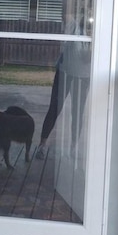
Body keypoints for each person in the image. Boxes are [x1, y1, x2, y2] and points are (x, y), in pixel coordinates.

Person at [36, 15, 92, 160]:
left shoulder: (97, 31)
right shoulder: (73, 26)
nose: (88, 19)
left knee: (77, 112)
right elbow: (65, 41)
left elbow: (88, 58)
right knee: (55, 108)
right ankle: (42, 145)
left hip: (83, 76)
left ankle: (74, 147)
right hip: (65, 72)